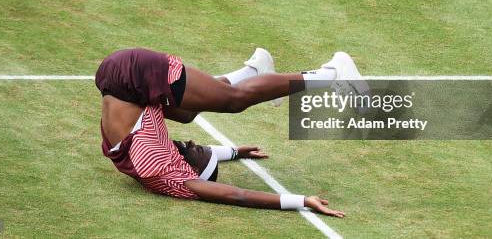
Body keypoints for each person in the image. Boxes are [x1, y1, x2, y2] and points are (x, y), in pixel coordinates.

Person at [96, 47, 367, 216]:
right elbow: (173, 153)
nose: (194, 144)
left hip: (134, 74)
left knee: (234, 101)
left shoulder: (161, 169)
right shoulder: (136, 160)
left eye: (195, 149)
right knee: (186, 113)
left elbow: (237, 195)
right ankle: (252, 70)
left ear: (184, 165)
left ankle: (330, 73)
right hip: (115, 78)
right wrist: (235, 151)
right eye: (197, 148)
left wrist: (301, 200)